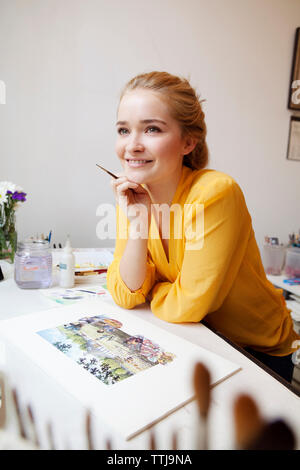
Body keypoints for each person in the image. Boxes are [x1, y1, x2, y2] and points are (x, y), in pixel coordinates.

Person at [106, 71, 300, 384]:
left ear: (188, 141)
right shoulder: (132, 197)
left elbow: (188, 306)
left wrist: (152, 287)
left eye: (152, 128)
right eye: (123, 130)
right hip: (199, 342)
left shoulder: (215, 193)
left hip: (256, 351)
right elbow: (125, 293)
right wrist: (138, 224)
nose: (132, 145)